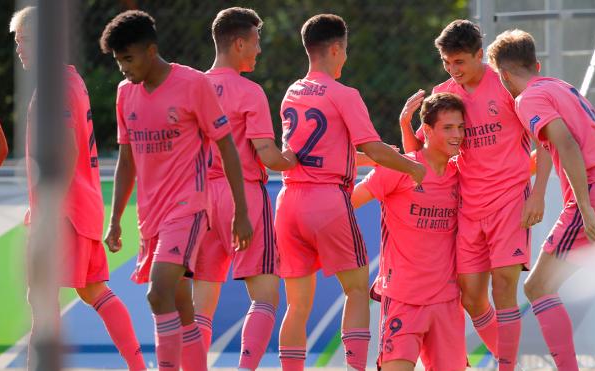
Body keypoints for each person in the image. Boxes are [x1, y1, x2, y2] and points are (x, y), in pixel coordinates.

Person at [100, 10, 252, 370]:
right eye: (118, 60)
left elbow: (227, 146)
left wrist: (241, 212)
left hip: (189, 208)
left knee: (158, 292)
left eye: (128, 58)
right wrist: (116, 218)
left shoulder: (193, 84)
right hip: (150, 215)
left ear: (151, 51)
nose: (123, 68)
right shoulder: (125, 94)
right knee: (183, 309)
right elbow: (127, 159)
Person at [487, 28, 595, 370]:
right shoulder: (563, 88)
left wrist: (585, 208)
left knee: (538, 288)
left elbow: (567, 143)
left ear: (503, 75)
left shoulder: (526, 98)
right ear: (537, 65)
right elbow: (558, 143)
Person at [276, 14, 426, 371]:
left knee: (296, 306)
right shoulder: (344, 94)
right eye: (345, 51)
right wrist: (412, 166)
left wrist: (379, 155)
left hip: (288, 203)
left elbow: (313, 149)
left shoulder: (293, 91)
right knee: (357, 290)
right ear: (335, 48)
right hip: (327, 200)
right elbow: (373, 149)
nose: (346, 58)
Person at [399, 19, 552, 369]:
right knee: (470, 297)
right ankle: (509, 358)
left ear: (480, 55)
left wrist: (538, 194)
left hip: (510, 203)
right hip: (467, 208)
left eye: (460, 62)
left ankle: (507, 366)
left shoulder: (507, 83)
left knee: (503, 287)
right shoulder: (445, 93)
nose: (453, 71)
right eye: (447, 63)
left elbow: (545, 140)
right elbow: (424, 157)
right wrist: (405, 126)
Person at [11, 6, 145, 370]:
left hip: (65, 213)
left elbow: (67, 148)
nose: (19, 49)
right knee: (93, 291)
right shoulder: (72, 79)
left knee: (41, 296)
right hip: (82, 207)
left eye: (23, 40)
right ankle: (139, 366)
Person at [193, 7, 298, 370]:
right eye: (255, 42)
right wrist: (296, 157)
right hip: (244, 199)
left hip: (201, 199)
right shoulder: (249, 91)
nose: (259, 50)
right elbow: (267, 154)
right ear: (239, 43)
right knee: (266, 296)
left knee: (201, 302)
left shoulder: (193, 86)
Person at [352, 92, 467, 371]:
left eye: (461, 127)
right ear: (427, 130)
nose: (457, 135)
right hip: (403, 298)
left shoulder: (462, 173)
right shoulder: (398, 168)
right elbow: (348, 203)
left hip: (448, 301)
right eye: (448, 127)